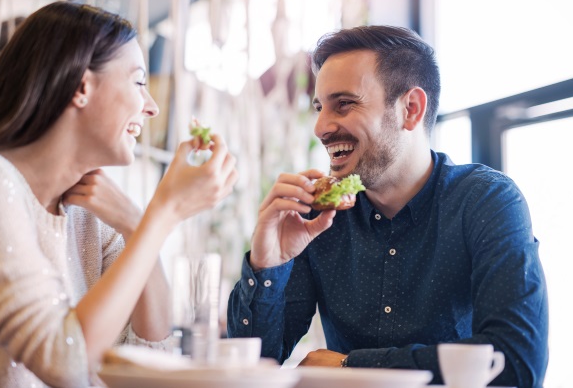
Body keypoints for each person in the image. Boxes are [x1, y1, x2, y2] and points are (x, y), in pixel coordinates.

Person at [0, 1, 238, 388]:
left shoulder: (89, 215)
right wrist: (164, 213)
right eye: (139, 81)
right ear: (81, 86)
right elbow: (65, 362)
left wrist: (137, 223)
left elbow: (149, 357)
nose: (152, 107)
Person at [227, 25, 547, 387]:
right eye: (318, 107)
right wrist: (268, 263)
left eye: (343, 103)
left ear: (410, 109)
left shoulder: (486, 202)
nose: (320, 127)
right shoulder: (316, 218)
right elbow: (249, 365)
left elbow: (518, 363)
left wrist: (353, 366)